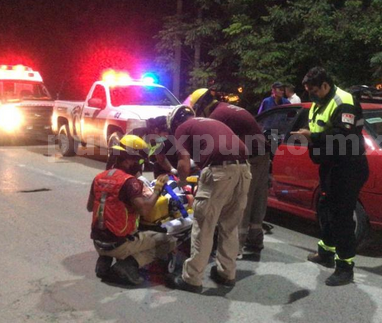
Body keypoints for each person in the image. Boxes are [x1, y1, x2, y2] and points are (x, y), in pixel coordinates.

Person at [291, 67, 369, 286]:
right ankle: (325, 251)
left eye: (314, 90)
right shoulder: (320, 102)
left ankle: (345, 267)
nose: (311, 94)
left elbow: (342, 136)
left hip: (348, 166)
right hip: (330, 166)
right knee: (325, 208)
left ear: (325, 85)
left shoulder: (343, 101)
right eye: (308, 91)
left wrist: (312, 136)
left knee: (342, 216)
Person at [164, 105, 252, 293]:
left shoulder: (182, 128)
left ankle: (191, 279)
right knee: (229, 226)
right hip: (244, 170)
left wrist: (180, 182)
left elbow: (183, 161)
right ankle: (226, 273)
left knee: (204, 226)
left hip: (220, 172)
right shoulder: (211, 122)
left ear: (176, 122)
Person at [188, 88, 270, 257]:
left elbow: (213, 147)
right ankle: (255, 240)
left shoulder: (216, 116)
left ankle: (235, 249)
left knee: (241, 201)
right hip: (263, 154)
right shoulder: (226, 108)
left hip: (251, 156)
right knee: (258, 200)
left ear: (201, 105)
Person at [87, 134, 177, 285]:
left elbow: (90, 207)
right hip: (119, 244)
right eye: (139, 161)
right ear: (129, 160)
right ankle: (128, 265)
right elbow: (145, 211)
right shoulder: (130, 182)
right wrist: (157, 190)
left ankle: (104, 259)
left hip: (97, 242)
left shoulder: (99, 177)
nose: (140, 165)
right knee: (169, 241)